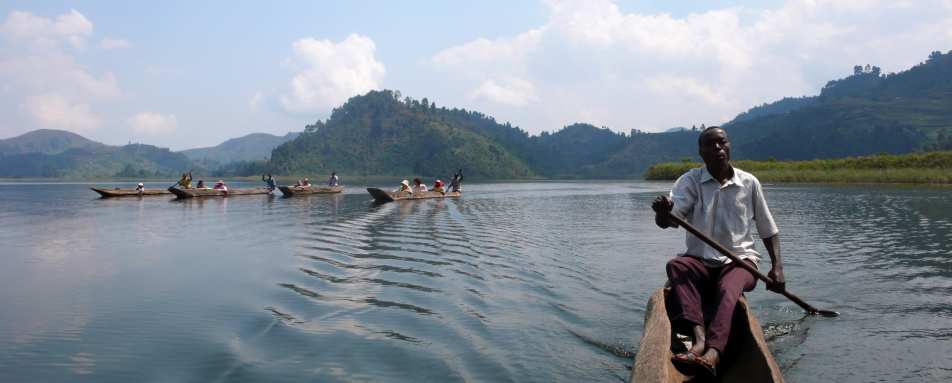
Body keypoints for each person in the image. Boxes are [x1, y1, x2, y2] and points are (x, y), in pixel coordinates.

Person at [651, 126, 784, 376]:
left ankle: (714, 352)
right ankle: (699, 339)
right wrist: (662, 213)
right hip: (700, 262)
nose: (717, 148)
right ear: (701, 152)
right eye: (710, 144)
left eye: (722, 142)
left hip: (740, 262)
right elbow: (668, 221)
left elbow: (768, 230)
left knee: (728, 287)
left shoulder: (749, 183)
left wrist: (777, 267)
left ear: (729, 146)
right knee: (676, 265)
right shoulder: (690, 181)